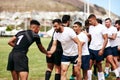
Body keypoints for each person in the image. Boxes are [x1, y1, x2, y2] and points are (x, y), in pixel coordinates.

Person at [87, 14, 119, 80]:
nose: (89, 22)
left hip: (100, 49)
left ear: (94, 19)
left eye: (90, 21)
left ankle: (116, 76)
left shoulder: (102, 27)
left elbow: (106, 39)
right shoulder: (90, 27)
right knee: (89, 64)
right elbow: (90, 37)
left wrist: (102, 49)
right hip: (91, 48)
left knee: (100, 64)